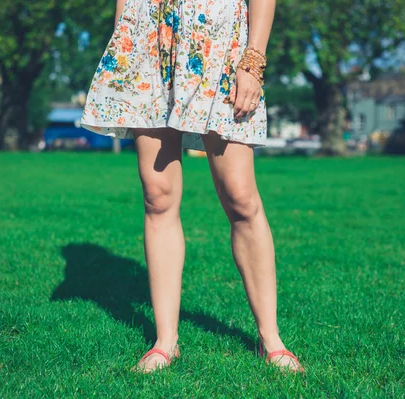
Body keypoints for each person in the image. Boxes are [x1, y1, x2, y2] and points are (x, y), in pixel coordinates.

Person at [80, 0, 305, 374]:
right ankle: (165, 342)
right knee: (157, 194)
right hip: (149, 35)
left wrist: (253, 61)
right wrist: (123, 44)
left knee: (240, 196)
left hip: (218, 37)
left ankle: (272, 341)